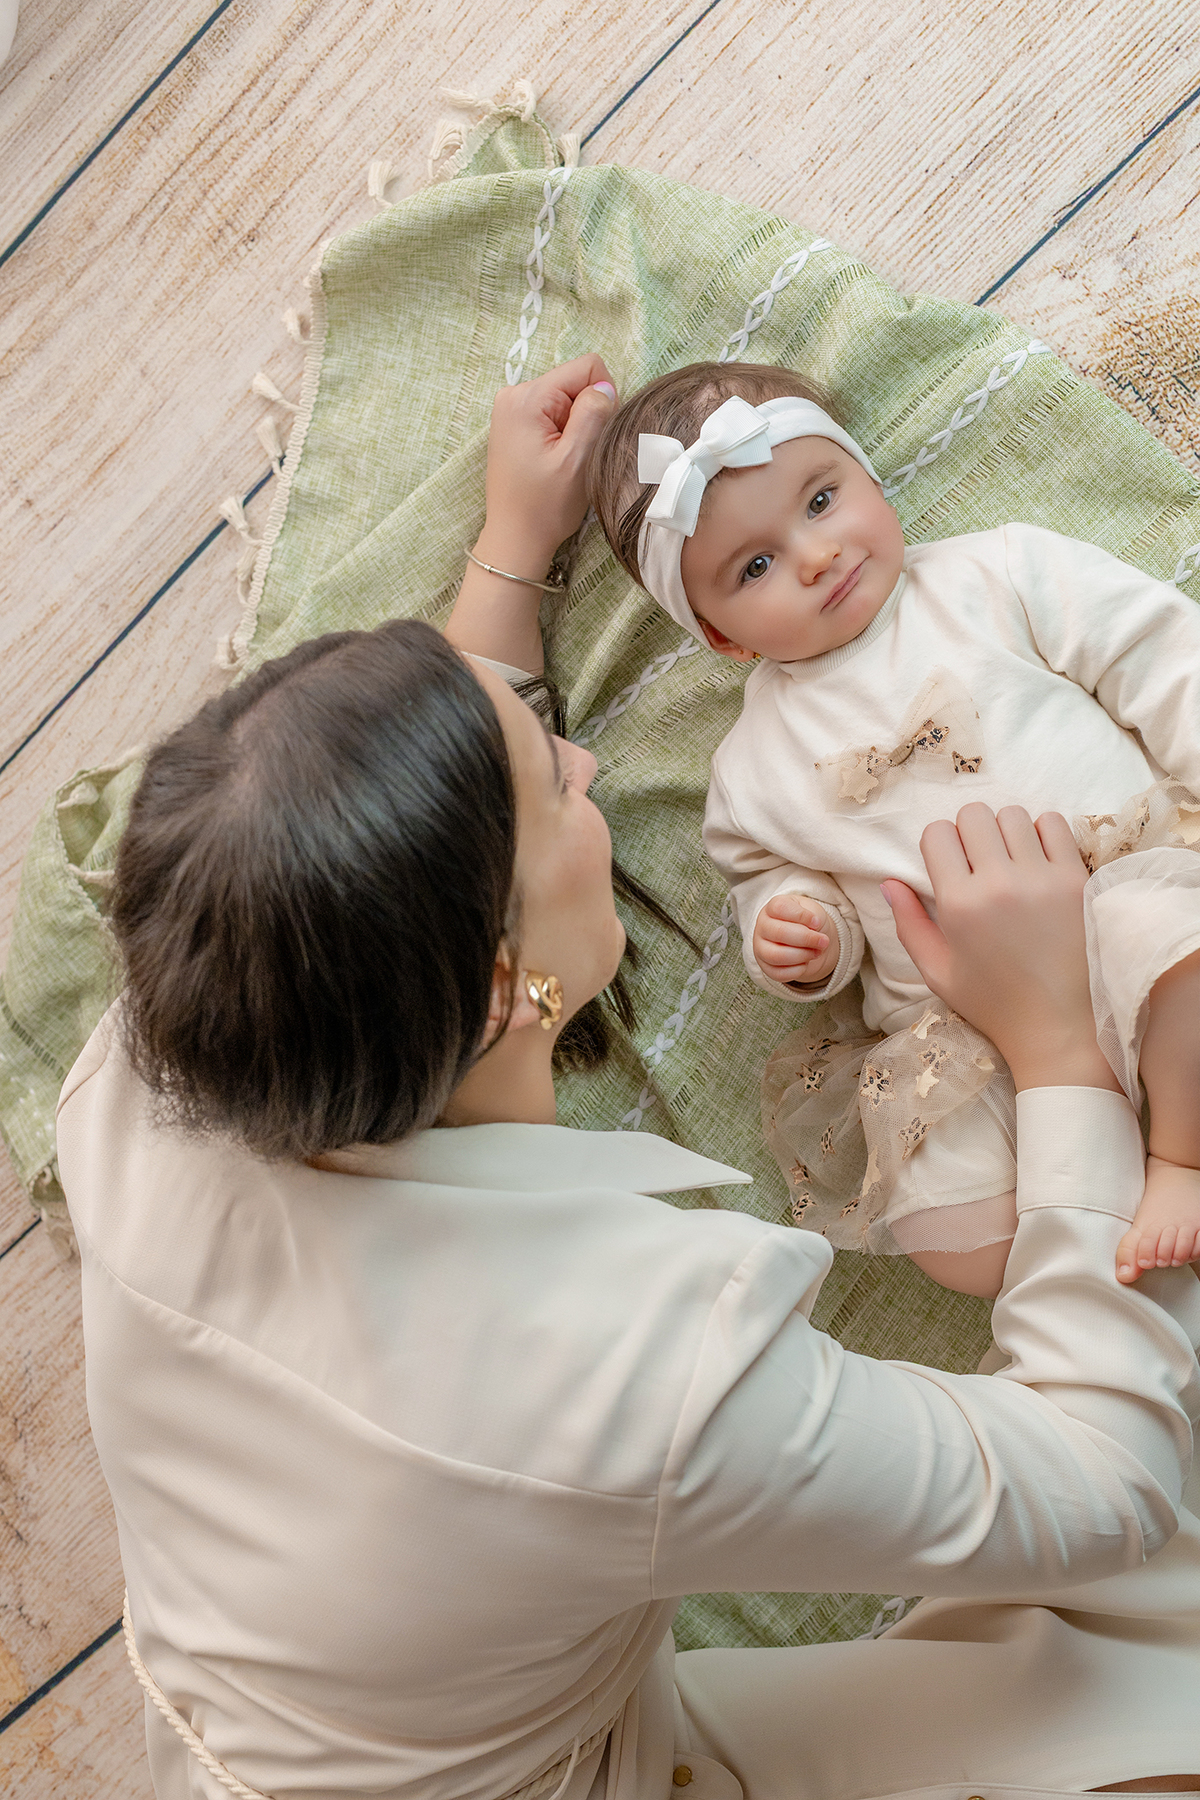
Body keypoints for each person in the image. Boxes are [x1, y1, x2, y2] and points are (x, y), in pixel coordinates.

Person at [57, 357, 1200, 1800]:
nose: (591, 763)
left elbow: (377, 840)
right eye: (556, 783)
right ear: (500, 985)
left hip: (376, 1710)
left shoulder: (179, 1016)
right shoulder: (623, 1364)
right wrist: (1056, 1052)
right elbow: (1096, 1489)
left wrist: (513, 544)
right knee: (1145, 1636)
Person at [587, 361, 1200, 1298]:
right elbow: (769, 884)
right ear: (721, 636)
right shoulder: (752, 768)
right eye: (755, 567)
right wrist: (800, 935)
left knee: (1179, 959)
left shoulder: (998, 574)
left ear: (870, 476)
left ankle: (1179, 1164)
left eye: (822, 501)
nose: (815, 556)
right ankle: (1093, 1215)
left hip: (1124, 893)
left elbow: (1159, 655)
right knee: (944, 1229)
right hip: (963, 1022)